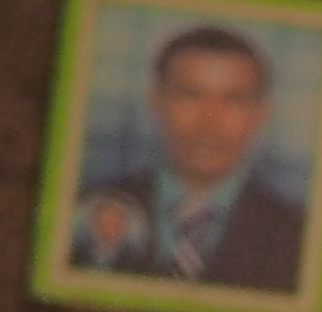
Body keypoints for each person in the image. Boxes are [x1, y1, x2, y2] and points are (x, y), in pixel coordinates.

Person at [73, 24, 305, 291]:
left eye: (234, 100)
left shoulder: (299, 236)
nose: (210, 122)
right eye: (190, 95)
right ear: (156, 102)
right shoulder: (83, 208)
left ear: (262, 114)